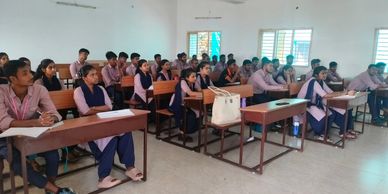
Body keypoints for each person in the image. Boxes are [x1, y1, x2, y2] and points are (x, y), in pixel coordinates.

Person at [0, 60, 76, 194]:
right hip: (5, 137)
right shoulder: (1, 92)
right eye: (25, 73)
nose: (30, 76)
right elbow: (3, 121)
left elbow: (55, 113)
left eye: (30, 71)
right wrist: (35, 122)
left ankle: (50, 187)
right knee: (18, 164)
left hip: (31, 134)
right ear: (12, 78)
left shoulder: (39, 89)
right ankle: (57, 191)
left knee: (53, 155)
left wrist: (50, 118)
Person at [74, 65, 143, 188]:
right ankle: (103, 177)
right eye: (92, 75)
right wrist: (99, 109)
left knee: (126, 132)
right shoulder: (78, 91)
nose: (96, 77)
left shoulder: (100, 88)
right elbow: (84, 111)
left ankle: (130, 167)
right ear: (84, 78)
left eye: (96, 74)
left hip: (105, 121)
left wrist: (94, 108)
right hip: (89, 124)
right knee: (111, 138)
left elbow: (109, 106)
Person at [298, 66, 356, 141]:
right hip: (304, 104)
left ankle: (329, 132)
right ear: (316, 75)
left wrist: (344, 93)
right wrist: (344, 93)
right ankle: (319, 134)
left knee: (333, 113)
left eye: (326, 73)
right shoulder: (313, 82)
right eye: (323, 73)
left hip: (314, 103)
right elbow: (325, 95)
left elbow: (330, 92)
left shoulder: (321, 81)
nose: (325, 75)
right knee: (325, 115)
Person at [169, 69, 202, 142]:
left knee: (199, 111)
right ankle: (182, 133)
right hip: (177, 104)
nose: (195, 78)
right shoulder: (183, 82)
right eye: (193, 76)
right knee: (190, 115)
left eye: (195, 76)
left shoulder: (193, 81)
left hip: (187, 103)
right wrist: (204, 94)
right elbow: (190, 93)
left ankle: (191, 130)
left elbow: (200, 90)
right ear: (187, 78)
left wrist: (203, 92)